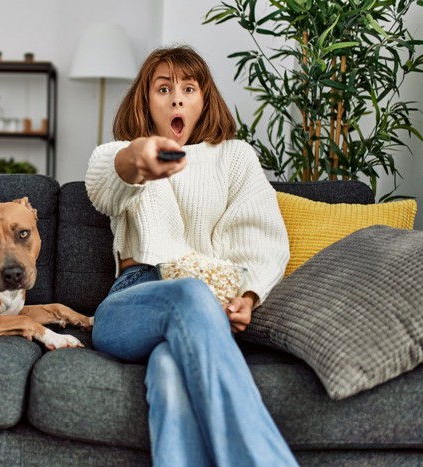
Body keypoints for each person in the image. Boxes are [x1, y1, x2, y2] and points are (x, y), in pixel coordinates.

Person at [85, 45, 298, 466]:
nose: (177, 98)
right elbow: (109, 178)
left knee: (168, 368)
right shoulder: (121, 150)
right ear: (146, 100)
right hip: (132, 304)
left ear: (204, 101)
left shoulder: (235, 157)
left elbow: (263, 238)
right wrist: (139, 159)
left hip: (210, 307)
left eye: (188, 88)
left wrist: (248, 298)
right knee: (189, 295)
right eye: (163, 89)